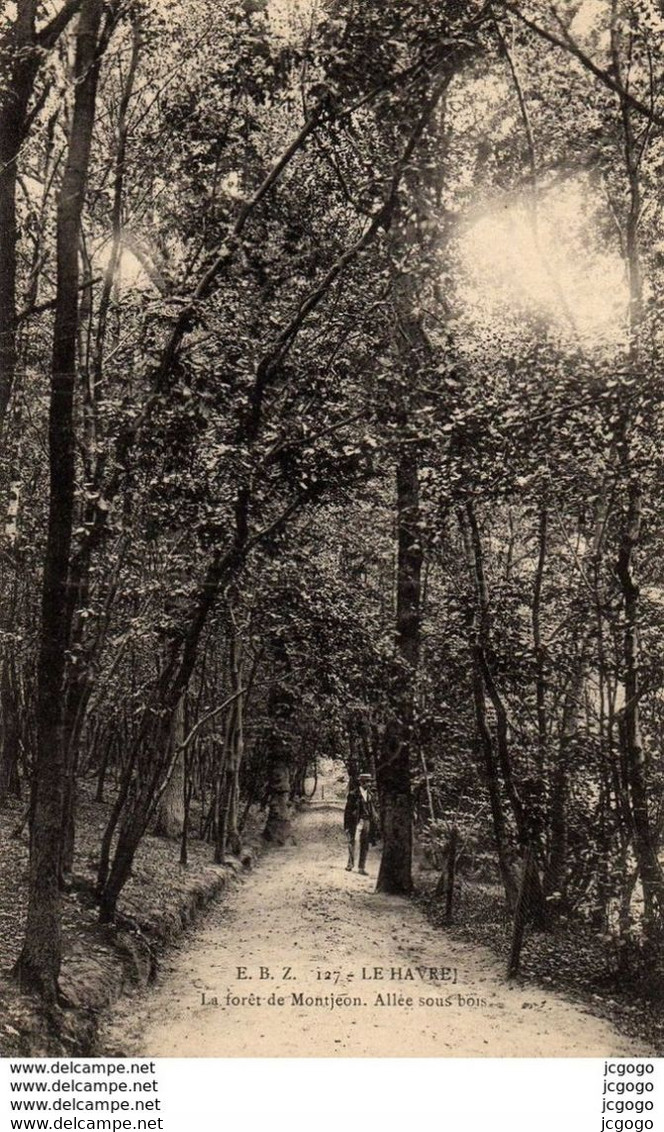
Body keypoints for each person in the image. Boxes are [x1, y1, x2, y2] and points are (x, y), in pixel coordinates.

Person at [344, 772, 377, 875]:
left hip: (367, 821)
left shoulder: (370, 795)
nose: (369, 784)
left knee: (365, 843)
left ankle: (361, 867)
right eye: (367, 782)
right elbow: (347, 811)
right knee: (352, 842)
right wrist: (347, 825)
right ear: (361, 782)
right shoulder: (353, 794)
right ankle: (350, 864)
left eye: (370, 782)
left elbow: (372, 810)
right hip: (356, 821)